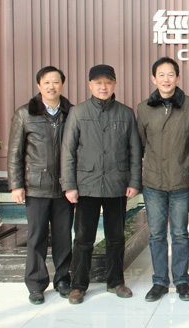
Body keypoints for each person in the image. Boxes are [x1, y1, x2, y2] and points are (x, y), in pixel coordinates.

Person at [61, 64, 142, 304]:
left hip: (117, 184)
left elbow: (134, 151)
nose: (103, 87)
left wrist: (134, 181)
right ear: (90, 85)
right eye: (98, 82)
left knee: (116, 236)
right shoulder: (78, 112)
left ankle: (115, 281)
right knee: (83, 238)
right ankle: (78, 286)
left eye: (108, 82)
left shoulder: (125, 113)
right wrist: (69, 185)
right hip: (86, 185)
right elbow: (68, 151)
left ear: (115, 83)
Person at [7, 66, 74, 305]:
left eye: (55, 82)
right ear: (39, 85)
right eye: (46, 82)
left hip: (64, 187)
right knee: (36, 238)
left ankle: (63, 280)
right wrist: (16, 185)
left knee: (63, 236)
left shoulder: (71, 112)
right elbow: (15, 153)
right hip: (36, 186)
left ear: (62, 84)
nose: (51, 86)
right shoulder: (25, 114)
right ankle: (36, 285)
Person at [136, 57, 189, 302]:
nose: (166, 79)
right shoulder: (143, 108)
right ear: (154, 79)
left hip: (181, 181)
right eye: (161, 75)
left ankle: (182, 281)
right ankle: (160, 281)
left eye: (171, 74)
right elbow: (142, 144)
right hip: (153, 183)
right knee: (157, 235)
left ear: (178, 77)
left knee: (180, 233)